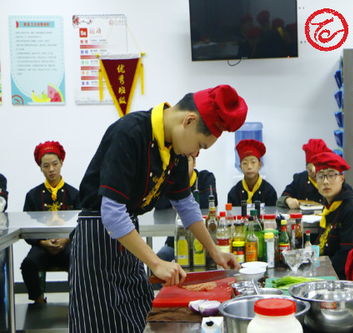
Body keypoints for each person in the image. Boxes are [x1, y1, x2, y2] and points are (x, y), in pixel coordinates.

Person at [70, 84, 247, 333]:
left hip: (128, 237)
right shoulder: (130, 132)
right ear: (188, 120)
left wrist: (214, 250)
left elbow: (185, 204)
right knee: (102, 323)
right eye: (200, 145)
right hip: (97, 238)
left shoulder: (173, 150)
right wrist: (155, 262)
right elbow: (111, 212)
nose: (196, 152)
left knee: (139, 317)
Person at [22, 141, 80, 303]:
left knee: (80, 262)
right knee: (28, 264)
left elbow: (82, 225)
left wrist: (66, 239)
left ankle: (77, 300)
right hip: (42, 246)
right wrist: (43, 242)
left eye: (55, 164)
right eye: (46, 166)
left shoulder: (74, 194)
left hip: (68, 245)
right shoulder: (32, 196)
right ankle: (38, 300)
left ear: (62, 163)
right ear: (40, 167)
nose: (51, 169)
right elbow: (26, 228)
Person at [310, 151, 353, 279]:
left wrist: (318, 272)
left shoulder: (351, 209)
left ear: (342, 179)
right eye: (321, 176)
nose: (326, 182)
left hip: (345, 278)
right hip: (329, 272)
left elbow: (348, 254)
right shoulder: (330, 205)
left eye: (332, 175)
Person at [156, 155, 217, 261]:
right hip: (175, 242)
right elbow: (159, 204)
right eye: (178, 161)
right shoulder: (169, 180)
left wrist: (178, 201)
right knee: (161, 257)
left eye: (187, 161)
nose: (182, 165)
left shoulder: (205, 177)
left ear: (194, 162)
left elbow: (210, 201)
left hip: (203, 241)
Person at [277, 138, 331, 209]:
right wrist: (288, 200)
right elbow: (281, 199)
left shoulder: (332, 181)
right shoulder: (300, 179)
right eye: (310, 170)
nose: (314, 174)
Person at [227, 139, 277, 206]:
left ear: (260, 165)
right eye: (245, 163)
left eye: (253, 162)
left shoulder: (269, 191)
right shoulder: (234, 193)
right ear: (240, 167)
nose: (249, 167)